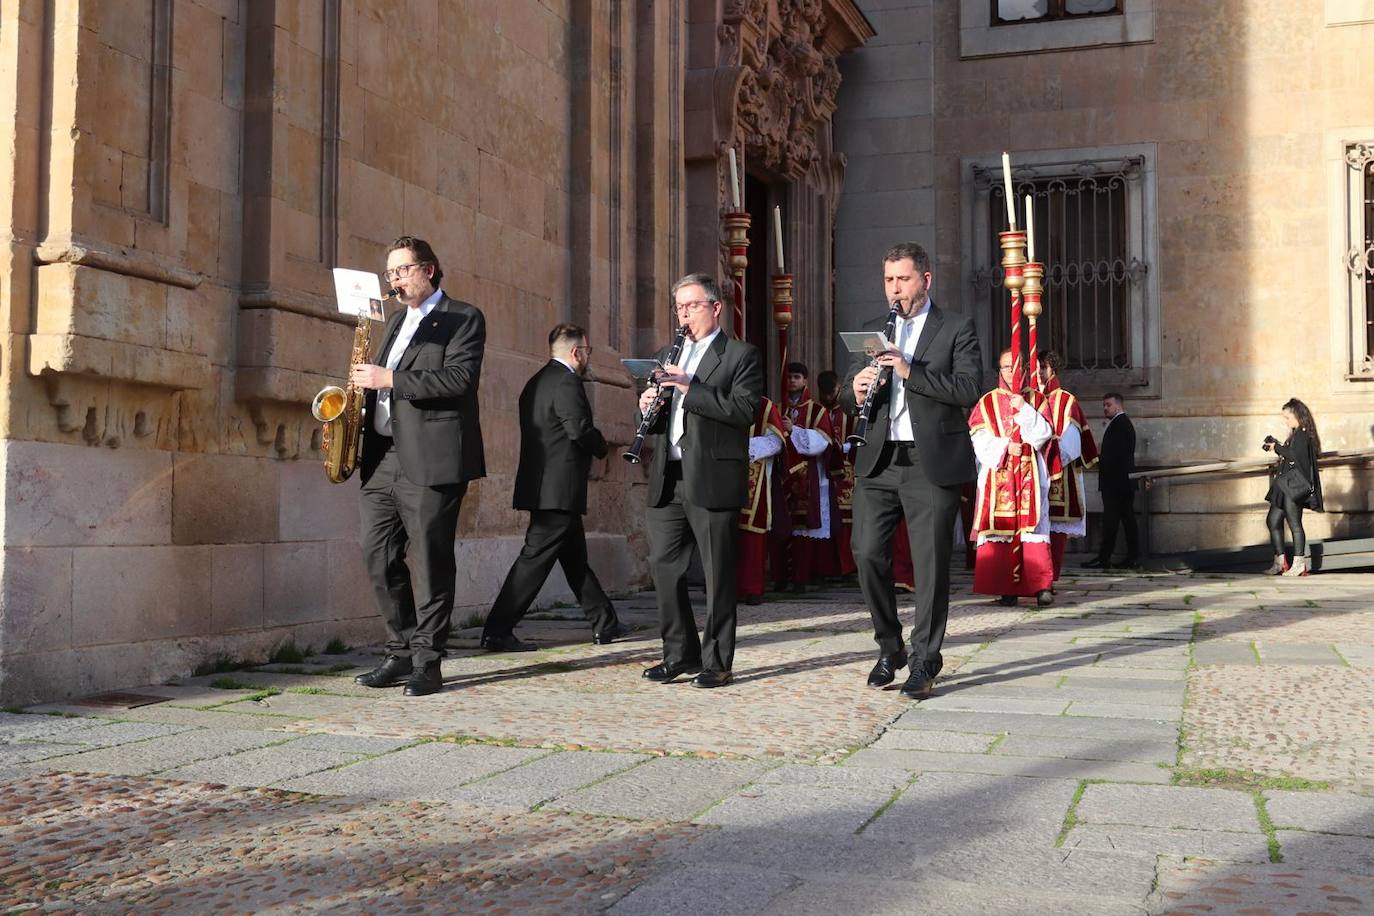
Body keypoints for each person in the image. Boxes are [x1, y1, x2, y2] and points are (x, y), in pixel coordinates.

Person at [839, 242, 982, 700]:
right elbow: (844, 393)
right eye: (888, 280)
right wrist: (855, 389)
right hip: (879, 460)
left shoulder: (956, 327)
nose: (895, 289)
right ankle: (890, 645)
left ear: (926, 279)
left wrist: (908, 368)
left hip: (930, 461)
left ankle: (926, 659)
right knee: (865, 553)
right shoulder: (872, 331)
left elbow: (967, 389)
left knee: (931, 565)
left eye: (903, 279)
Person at [350, 236, 485, 697]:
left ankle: (428, 661)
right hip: (383, 456)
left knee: (430, 562)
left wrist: (390, 379)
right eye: (390, 273)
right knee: (378, 555)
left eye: (403, 270)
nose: (395, 281)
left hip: (433, 458)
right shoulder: (391, 324)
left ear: (428, 270)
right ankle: (400, 650)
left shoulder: (462, 317)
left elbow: (459, 379)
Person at [638, 273, 764, 688]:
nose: (684, 314)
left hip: (711, 475)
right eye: (679, 307)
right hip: (669, 474)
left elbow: (743, 411)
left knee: (716, 574)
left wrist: (689, 388)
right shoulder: (665, 354)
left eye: (692, 306)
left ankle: (717, 661)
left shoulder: (739, 355)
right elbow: (661, 422)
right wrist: (648, 407)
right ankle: (679, 653)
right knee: (664, 568)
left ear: (715, 308)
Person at [480, 324, 625, 651]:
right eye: (587, 352)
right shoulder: (567, 382)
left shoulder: (536, 382)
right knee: (534, 560)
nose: (588, 358)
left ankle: (605, 623)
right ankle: (496, 631)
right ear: (576, 353)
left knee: (574, 559)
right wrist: (601, 447)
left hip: (546, 487)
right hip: (557, 491)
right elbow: (579, 429)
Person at [969, 349, 1055, 607]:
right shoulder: (986, 402)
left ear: (1025, 371)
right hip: (999, 474)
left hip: (1030, 472)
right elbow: (978, 438)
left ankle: (1041, 586)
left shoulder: (1037, 399)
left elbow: (1044, 434)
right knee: (1002, 530)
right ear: (999, 371)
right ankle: (1006, 587)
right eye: (1006, 367)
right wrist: (1006, 446)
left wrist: (1025, 410)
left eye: (1015, 367)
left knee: (1034, 528)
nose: (1011, 372)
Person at [1040, 351, 1099, 582]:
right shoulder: (1027, 398)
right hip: (1032, 475)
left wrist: (1047, 461)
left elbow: (1072, 444)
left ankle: (1049, 579)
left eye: (1043, 367)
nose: (1038, 372)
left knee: (1055, 531)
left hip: (1058, 475)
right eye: (1035, 367)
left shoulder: (1066, 401)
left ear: (1053, 369)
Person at [781, 363, 836, 592]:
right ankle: (782, 575)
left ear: (805, 380)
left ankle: (804, 576)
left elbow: (823, 442)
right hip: (784, 475)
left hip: (809, 476)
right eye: (789, 377)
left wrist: (794, 430)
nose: (792, 381)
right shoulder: (777, 407)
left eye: (797, 377)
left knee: (806, 528)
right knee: (782, 526)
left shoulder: (817, 410)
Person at [1263, 398, 1324, 576]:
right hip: (1285, 484)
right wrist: (1279, 446)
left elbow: (1293, 456)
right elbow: (1291, 454)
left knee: (1294, 524)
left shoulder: (1303, 434)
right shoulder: (1297, 433)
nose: (1286, 421)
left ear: (1298, 415)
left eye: (1288, 417)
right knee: (1273, 520)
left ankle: (1299, 564)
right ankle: (1280, 562)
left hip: (1294, 486)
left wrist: (1277, 447)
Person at [737, 397, 786, 605]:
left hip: (755, 475)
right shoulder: (718, 396)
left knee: (752, 534)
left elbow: (777, 441)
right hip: (720, 472)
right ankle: (725, 587)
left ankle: (752, 588)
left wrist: (743, 447)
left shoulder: (765, 406)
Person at [1082, 392, 1139, 569]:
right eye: (1104, 405)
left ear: (1118, 405)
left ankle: (1108, 558)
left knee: (1113, 522)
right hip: (1119, 483)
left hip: (1117, 484)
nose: (1105, 408)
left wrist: (1099, 457)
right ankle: (1116, 557)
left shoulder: (1120, 425)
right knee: (1121, 520)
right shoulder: (1119, 424)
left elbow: (1117, 456)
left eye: (1108, 405)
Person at [815, 370, 857, 581]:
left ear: (839, 388)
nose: (829, 397)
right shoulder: (817, 410)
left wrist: (847, 446)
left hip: (848, 471)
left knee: (847, 521)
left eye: (832, 392)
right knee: (826, 518)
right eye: (825, 393)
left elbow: (860, 436)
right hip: (823, 471)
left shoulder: (850, 411)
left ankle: (849, 566)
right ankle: (828, 567)